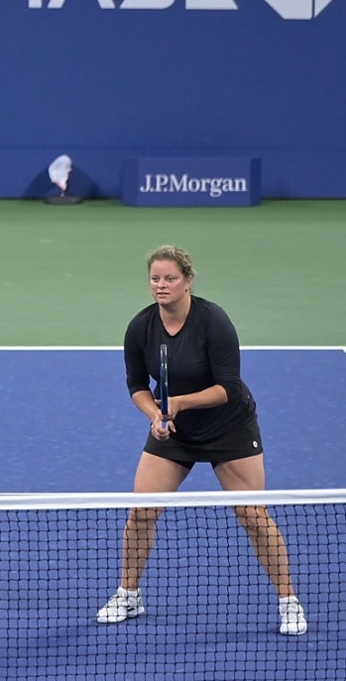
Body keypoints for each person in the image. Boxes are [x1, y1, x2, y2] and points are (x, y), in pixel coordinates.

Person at [96, 245, 306, 635]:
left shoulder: (214, 322)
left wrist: (176, 402)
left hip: (229, 426)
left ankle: (288, 600)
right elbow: (137, 385)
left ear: (188, 281)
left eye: (170, 278)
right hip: (177, 430)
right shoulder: (141, 327)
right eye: (155, 278)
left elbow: (228, 387)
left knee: (252, 516)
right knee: (141, 511)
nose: (161, 285)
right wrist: (155, 415)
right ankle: (129, 593)